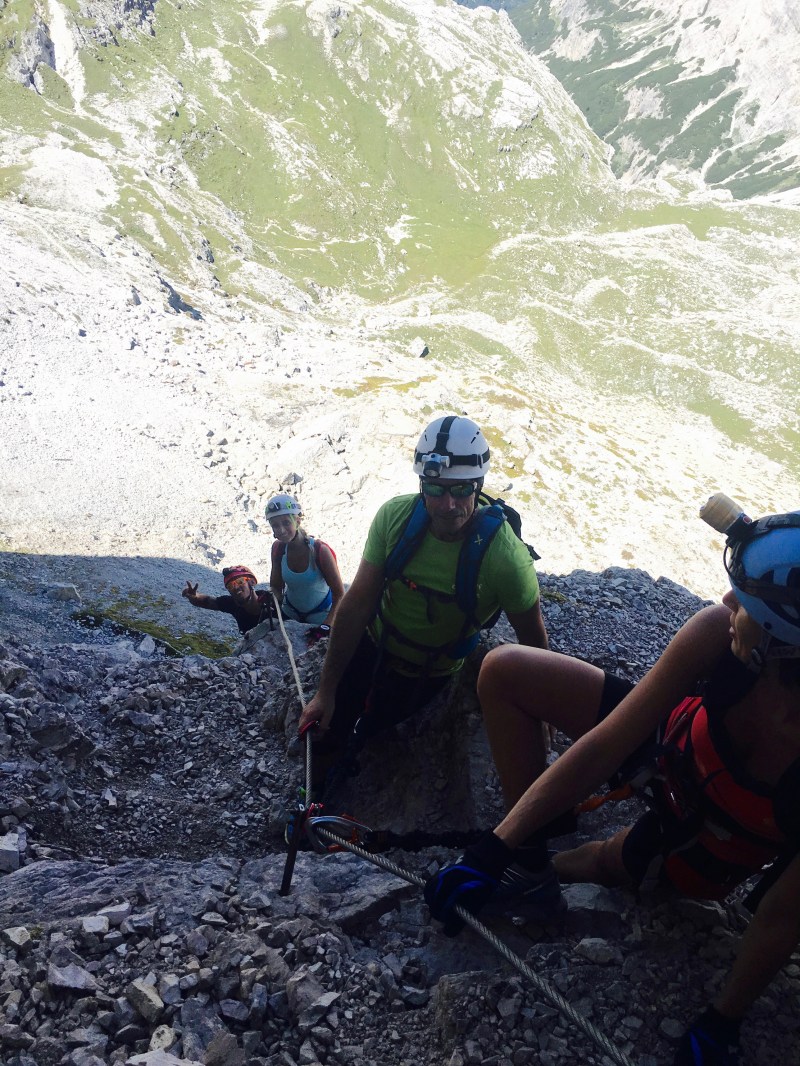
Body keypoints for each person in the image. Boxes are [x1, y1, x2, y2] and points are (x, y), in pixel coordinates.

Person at [424, 496, 800, 1066]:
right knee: (503, 670)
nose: (727, 602)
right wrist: (498, 847)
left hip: (718, 834)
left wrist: (724, 1019)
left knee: (599, 864)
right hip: (669, 746)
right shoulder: (717, 634)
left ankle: (548, 872)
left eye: (745, 602)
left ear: (782, 647)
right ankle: (531, 862)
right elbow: (607, 744)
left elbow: (785, 914)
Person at [298, 414, 549, 790]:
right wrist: (325, 692)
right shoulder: (395, 518)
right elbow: (356, 605)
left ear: (479, 485)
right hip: (374, 645)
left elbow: (534, 642)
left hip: (428, 673)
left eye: (462, 489)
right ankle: (316, 802)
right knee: (328, 728)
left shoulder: (506, 560)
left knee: (370, 732)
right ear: (421, 484)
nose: (448, 504)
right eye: (435, 488)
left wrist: (542, 718)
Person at [265, 494, 344, 641]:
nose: (281, 530)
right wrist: (269, 599)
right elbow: (276, 587)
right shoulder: (278, 549)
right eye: (275, 525)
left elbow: (339, 594)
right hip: (290, 612)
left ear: (297, 521)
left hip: (321, 616)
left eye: (286, 523)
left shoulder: (320, 551)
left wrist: (327, 625)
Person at [182, 565, 274, 634]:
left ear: (251, 582)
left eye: (240, 581)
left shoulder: (271, 600)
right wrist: (195, 597)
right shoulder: (232, 604)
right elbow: (208, 602)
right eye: (230, 586)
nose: (236, 587)